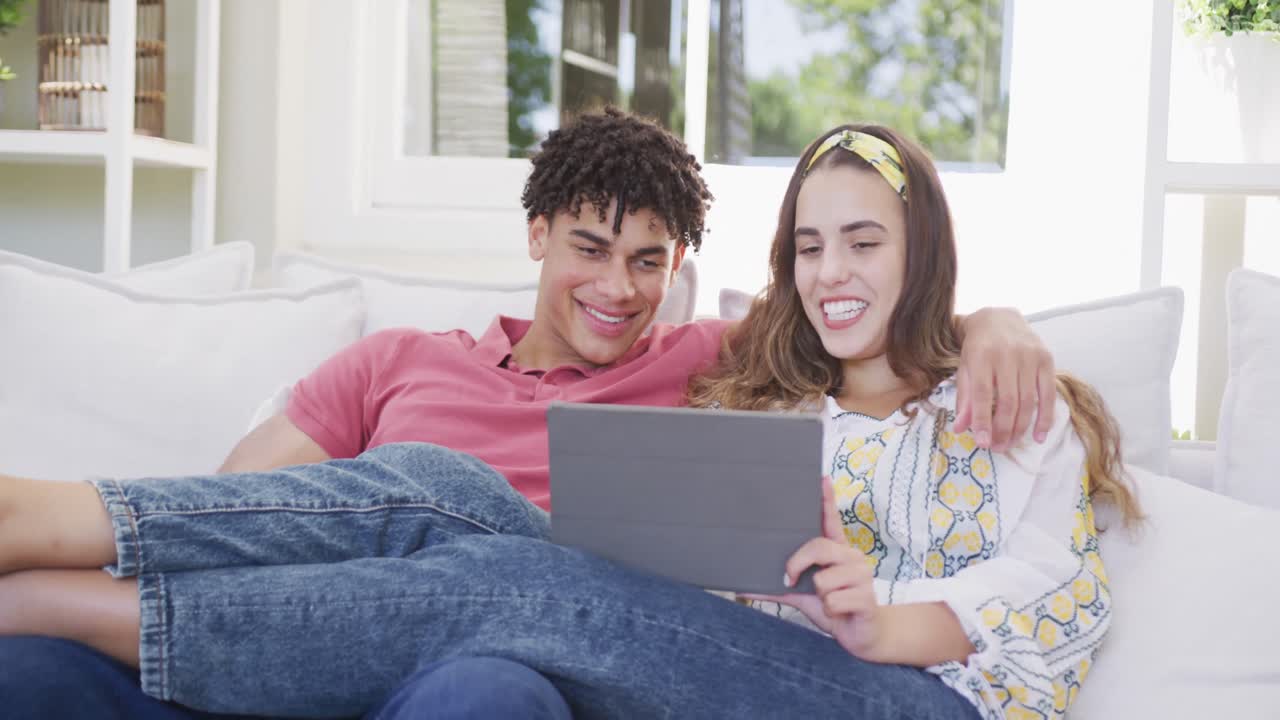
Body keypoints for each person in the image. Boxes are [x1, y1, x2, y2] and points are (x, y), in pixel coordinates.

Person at [0, 112, 1061, 719]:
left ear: (679, 268)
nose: (617, 288)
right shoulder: (394, 361)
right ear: (537, 235)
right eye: (589, 250)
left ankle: (43, 549)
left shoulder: (710, 366)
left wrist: (994, 321)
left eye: (648, 261)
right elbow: (247, 511)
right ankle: (54, 550)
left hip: (501, 667)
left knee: (485, 664)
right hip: (287, 640)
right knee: (33, 677)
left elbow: (864, 329)